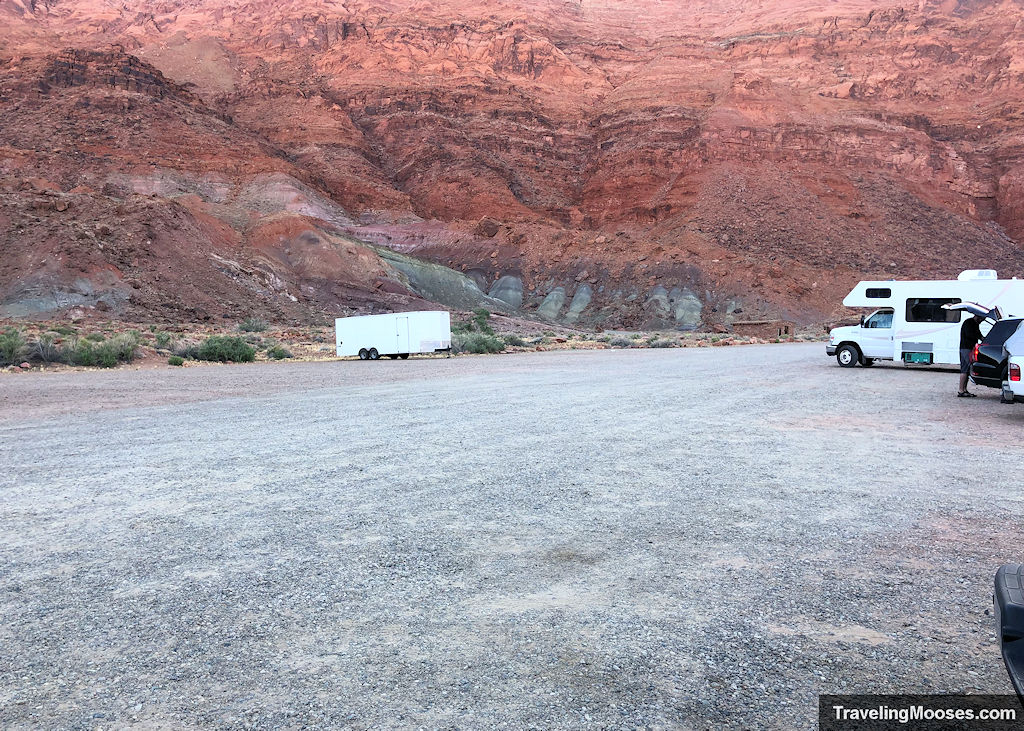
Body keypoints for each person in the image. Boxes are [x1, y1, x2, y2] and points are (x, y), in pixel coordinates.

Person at [958, 312, 984, 397]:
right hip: (966, 348)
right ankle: (961, 390)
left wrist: (983, 339)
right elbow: (970, 335)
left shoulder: (975, 324)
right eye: (982, 319)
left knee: (968, 369)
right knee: (965, 369)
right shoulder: (968, 323)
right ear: (978, 316)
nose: (982, 321)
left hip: (970, 348)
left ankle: (964, 389)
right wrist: (979, 338)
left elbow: (979, 334)